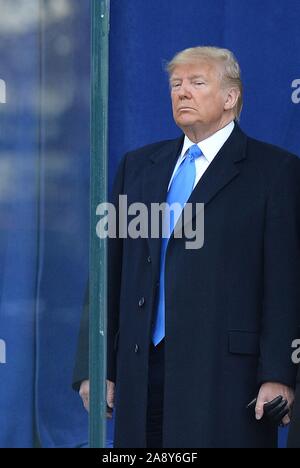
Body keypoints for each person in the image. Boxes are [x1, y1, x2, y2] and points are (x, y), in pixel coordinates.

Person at [73, 46, 300, 448]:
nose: (182, 92)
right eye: (176, 84)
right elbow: (108, 270)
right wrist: (97, 362)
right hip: (143, 371)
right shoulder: (139, 166)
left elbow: (285, 283)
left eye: (197, 83)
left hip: (227, 380)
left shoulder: (275, 171)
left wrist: (278, 374)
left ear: (230, 98)